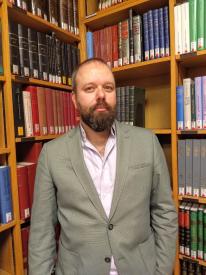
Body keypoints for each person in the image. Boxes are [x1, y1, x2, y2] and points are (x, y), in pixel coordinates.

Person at [29, 58, 178, 275]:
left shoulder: (147, 143)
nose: (101, 95)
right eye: (90, 88)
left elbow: (164, 214)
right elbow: (41, 232)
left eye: (108, 87)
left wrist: (162, 271)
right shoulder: (52, 154)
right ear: (74, 100)